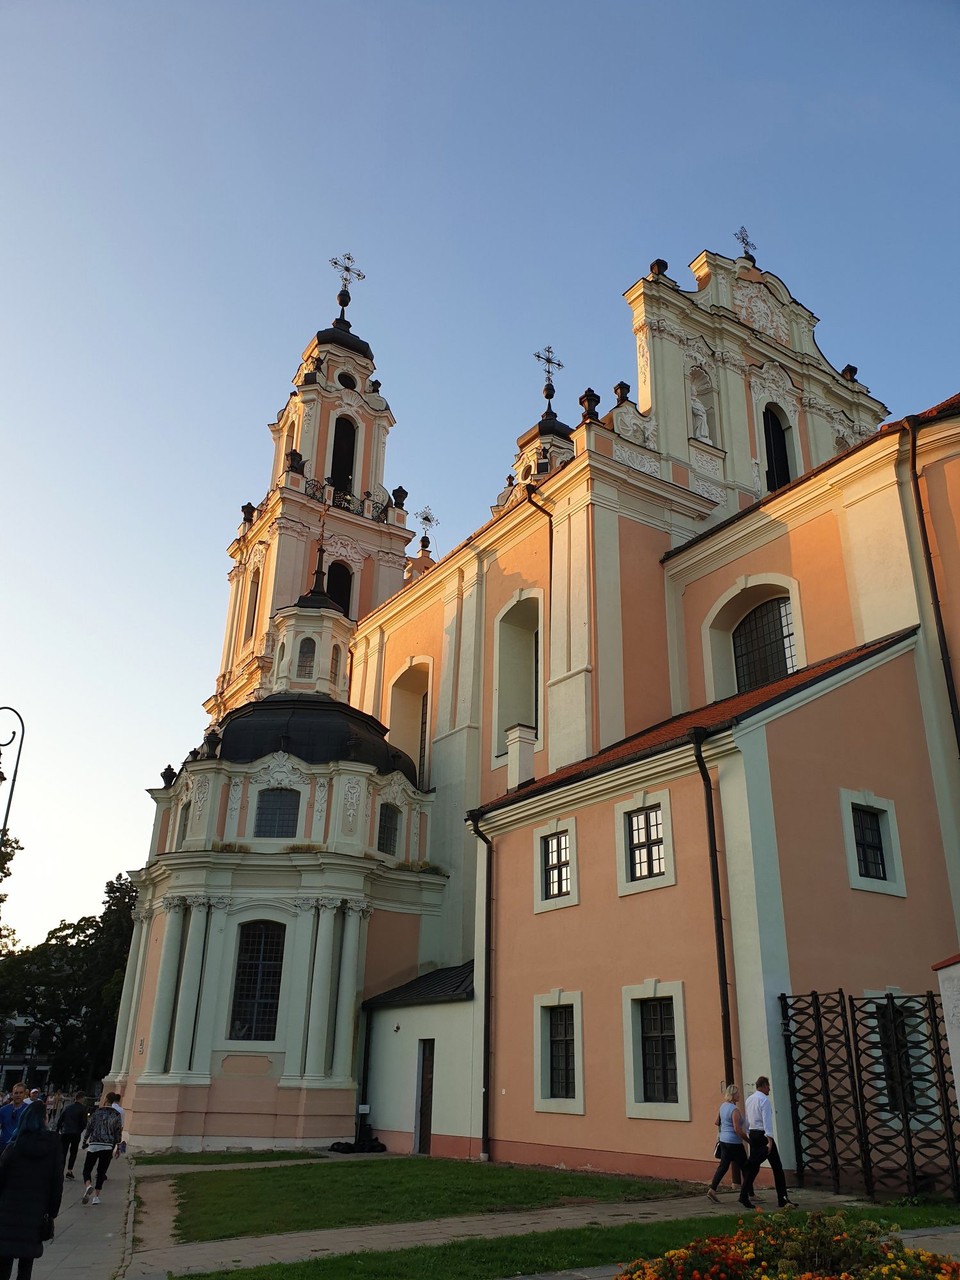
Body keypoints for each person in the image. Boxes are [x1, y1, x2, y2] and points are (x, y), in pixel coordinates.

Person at [0, 1098, 63, 1280]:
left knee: (3, 1263)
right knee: (26, 1265)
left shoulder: (13, 1148)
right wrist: (51, 1213)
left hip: (8, 1214)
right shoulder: (52, 1148)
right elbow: (56, 1183)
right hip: (36, 1213)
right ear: (43, 1120)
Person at [742, 1074, 797, 1209]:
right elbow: (767, 1121)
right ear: (764, 1086)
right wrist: (770, 1140)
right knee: (777, 1167)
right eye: (768, 1087)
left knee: (753, 1166)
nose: (769, 1090)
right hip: (763, 1135)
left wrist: (750, 1134)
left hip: (753, 1133)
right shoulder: (764, 1101)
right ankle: (782, 1198)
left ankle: (744, 1194)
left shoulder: (749, 1099)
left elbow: (747, 1119)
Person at [706, 1084, 755, 1210]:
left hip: (723, 1141)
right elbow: (737, 1129)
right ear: (733, 1095)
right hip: (734, 1142)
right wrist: (748, 1140)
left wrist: (722, 1131)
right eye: (737, 1093)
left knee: (723, 1166)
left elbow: (717, 1122)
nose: (739, 1095)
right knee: (746, 1167)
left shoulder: (723, 1106)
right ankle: (750, 1194)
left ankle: (712, 1189)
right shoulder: (734, 1110)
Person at [79, 1101, 122, 1206]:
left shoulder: (96, 1112)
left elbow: (89, 1128)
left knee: (87, 1170)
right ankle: (96, 1197)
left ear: (105, 1101)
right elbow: (118, 1132)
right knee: (101, 1172)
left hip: (94, 1145)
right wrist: (118, 1147)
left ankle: (88, 1185)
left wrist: (84, 1142)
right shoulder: (117, 1114)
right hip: (107, 1146)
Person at [55, 1093, 88, 1179]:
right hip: (76, 1133)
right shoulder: (83, 1109)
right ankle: (69, 1171)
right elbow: (84, 1123)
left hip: (65, 1132)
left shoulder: (68, 1108)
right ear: (80, 1099)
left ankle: (60, 1170)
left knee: (63, 1152)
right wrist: (80, 1130)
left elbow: (60, 1120)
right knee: (73, 1152)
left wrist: (57, 1130)